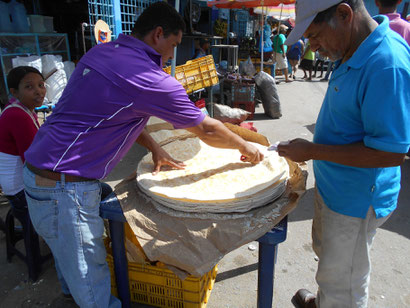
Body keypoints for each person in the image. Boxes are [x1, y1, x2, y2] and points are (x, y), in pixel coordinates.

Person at [22, 2, 263, 308]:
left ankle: (70, 298)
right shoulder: (150, 78)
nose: (172, 56)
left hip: (39, 173)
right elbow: (207, 129)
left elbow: (118, 114)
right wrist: (245, 146)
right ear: (158, 34)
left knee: (67, 257)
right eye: (173, 45)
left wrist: (156, 148)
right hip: (63, 187)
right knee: (89, 274)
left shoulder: (102, 52)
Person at [281, 0, 410, 307]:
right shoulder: (353, 45)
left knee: (346, 284)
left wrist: (312, 150)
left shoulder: (386, 64)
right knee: (332, 265)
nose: (314, 46)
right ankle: (326, 299)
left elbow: (389, 154)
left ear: (344, 14)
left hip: (355, 201)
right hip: (336, 189)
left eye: (314, 36)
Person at [0, 66, 46, 276]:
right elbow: (33, 162)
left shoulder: (22, 109)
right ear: (14, 92)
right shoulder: (17, 116)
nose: (38, 91)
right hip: (20, 191)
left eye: (40, 85)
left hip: (17, 184)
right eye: (29, 87)